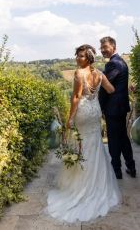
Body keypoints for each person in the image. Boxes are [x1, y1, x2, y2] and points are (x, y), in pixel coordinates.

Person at [45, 44, 122, 224]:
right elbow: (111, 90)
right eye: (77, 56)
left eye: (80, 56)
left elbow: (76, 97)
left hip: (83, 113)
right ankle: (98, 185)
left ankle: (82, 187)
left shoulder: (79, 74)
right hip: (95, 112)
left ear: (88, 58)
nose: (77, 59)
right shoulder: (100, 74)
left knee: (83, 146)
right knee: (94, 145)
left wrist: (70, 118)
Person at [98, 36, 136, 179]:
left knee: (114, 140)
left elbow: (107, 88)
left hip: (113, 109)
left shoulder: (113, 64)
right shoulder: (121, 62)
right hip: (120, 107)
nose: (102, 50)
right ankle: (131, 168)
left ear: (113, 47)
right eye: (101, 48)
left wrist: (100, 107)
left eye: (105, 47)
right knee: (123, 138)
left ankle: (116, 171)